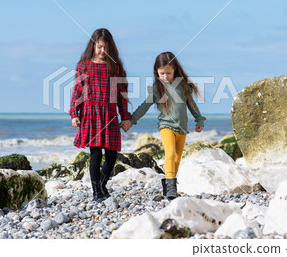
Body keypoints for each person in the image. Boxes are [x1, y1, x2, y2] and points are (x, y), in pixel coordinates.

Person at [128, 51, 205, 199]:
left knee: (177, 158)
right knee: (169, 154)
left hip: (182, 129)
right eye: (161, 73)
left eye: (168, 73)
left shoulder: (183, 86)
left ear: (175, 69)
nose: (164, 77)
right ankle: (171, 187)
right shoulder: (157, 88)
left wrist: (199, 120)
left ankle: (169, 186)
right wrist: (132, 120)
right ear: (156, 72)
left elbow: (192, 105)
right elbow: (144, 106)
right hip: (166, 126)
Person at [69, 28, 132, 202]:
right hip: (91, 113)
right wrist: (74, 113)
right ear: (93, 46)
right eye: (99, 47)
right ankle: (96, 192)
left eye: (105, 47)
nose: (102, 51)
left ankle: (102, 184)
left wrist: (125, 117)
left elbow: (121, 95)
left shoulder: (115, 67)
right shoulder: (85, 66)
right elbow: (78, 92)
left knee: (112, 155)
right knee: (95, 154)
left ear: (110, 47)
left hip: (110, 113)